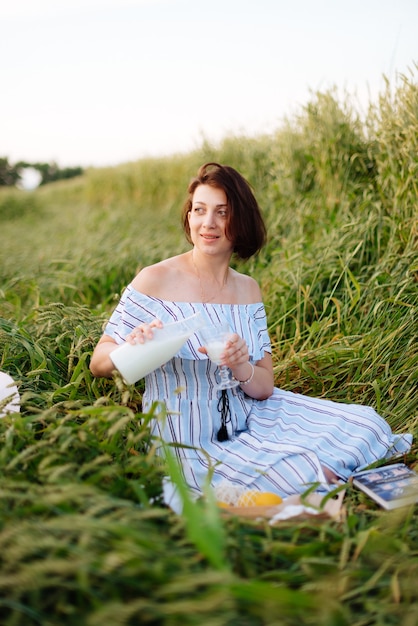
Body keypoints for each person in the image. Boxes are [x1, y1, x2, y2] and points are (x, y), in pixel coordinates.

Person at [90, 162, 412, 504]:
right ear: (188, 217)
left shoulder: (248, 290)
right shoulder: (156, 279)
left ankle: (314, 469)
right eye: (199, 210)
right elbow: (99, 362)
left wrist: (241, 365)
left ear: (239, 221)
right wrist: (132, 346)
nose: (208, 223)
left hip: (250, 415)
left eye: (221, 212)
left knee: (367, 424)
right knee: (303, 472)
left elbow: (263, 387)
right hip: (187, 434)